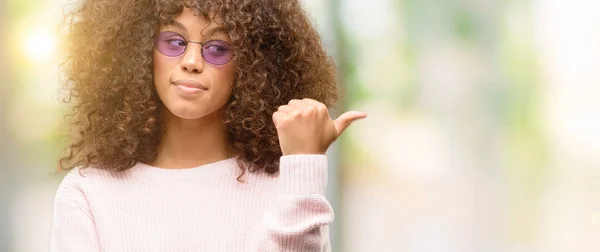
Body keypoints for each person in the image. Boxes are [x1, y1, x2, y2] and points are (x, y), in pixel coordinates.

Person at [50, 0, 366, 251]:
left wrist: (304, 164)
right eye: (173, 41)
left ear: (253, 64)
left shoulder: (289, 187)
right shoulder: (88, 193)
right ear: (139, 50)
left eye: (217, 48)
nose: (191, 61)